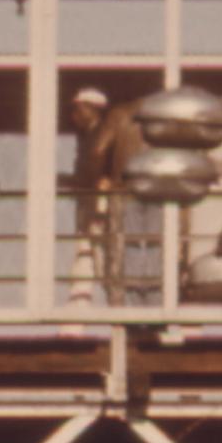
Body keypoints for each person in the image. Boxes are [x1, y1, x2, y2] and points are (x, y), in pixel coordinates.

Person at [69, 86, 156, 307]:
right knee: (99, 259)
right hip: (107, 205)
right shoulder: (89, 134)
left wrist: (94, 183)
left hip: (103, 207)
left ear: (92, 109)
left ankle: (104, 310)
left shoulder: (104, 130)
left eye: (78, 109)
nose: (74, 115)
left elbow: (97, 159)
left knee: (101, 259)